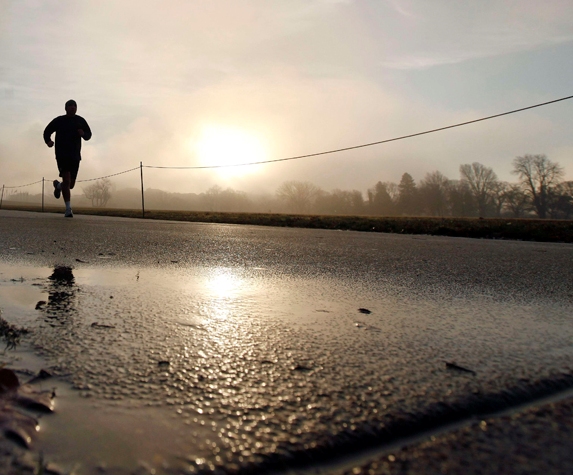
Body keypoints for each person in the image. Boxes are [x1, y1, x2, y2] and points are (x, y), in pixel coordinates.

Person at [43, 100, 92, 217]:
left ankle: (58, 186)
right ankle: (68, 209)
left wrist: (83, 134)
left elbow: (89, 134)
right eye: (70, 106)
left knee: (70, 185)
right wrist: (48, 141)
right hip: (62, 154)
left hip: (75, 155)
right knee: (66, 179)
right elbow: (47, 131)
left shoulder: (80, 121)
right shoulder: (59, 120)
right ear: (66, 108)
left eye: (74, 106)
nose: (72, 108)